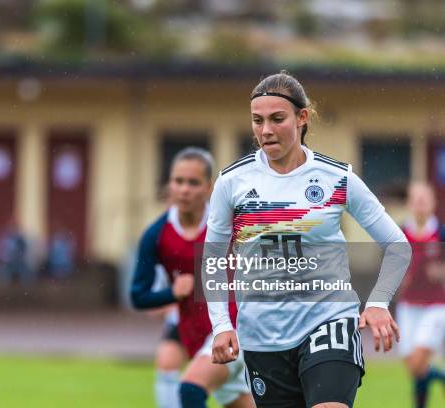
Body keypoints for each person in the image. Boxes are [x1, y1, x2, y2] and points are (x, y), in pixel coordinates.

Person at [204, 71, 411, 408]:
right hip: (262, 336)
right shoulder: (232, 182)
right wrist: (221, 325)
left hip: (328, 321)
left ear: (302, 118)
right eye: (257, 121)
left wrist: (377, 302)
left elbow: (397, 244)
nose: (265, 130)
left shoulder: (336, 178)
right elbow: (213, 260)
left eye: (277, 119)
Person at [131, 147, 255, 408]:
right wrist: (171, 294)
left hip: (236, 328)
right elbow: (138, 296)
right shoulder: (156, 235)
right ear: (170, 185)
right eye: (178, 181)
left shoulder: (231, 224)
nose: (184, 189)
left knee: (190, 389)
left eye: (193, 182)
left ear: (209, 187)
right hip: (196, 335)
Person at [397, 182, 445, 408]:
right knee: (414, 367)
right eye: (416, 200)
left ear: (433, 203)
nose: (420, 204)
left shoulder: (441, 233)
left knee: (418, 362)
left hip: (435, 306)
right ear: (410, 203)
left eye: (424, 200)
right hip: (408, 305)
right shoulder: (399, 233)